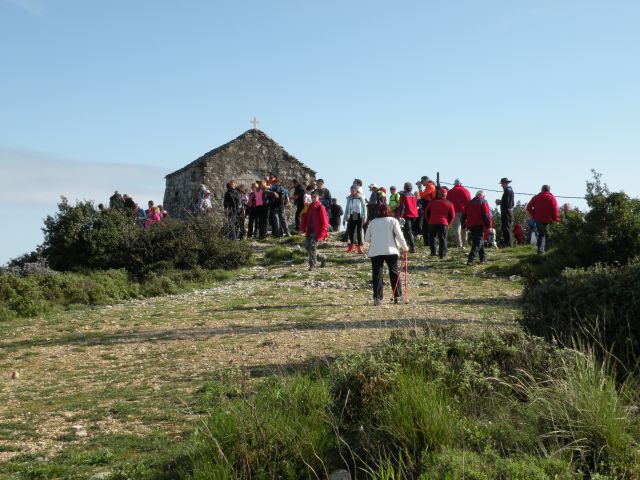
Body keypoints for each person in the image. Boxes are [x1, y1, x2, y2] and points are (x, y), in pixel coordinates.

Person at [365, 204, 409, 305]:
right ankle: (397, 296)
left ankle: (377, 298)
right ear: (389, 211)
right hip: (391, 250)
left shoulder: (372, 222)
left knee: (377, 275)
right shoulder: (393, 221)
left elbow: (367, 239)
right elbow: (399, 236)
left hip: (376, 251)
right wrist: (405, 248)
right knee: (394, 273)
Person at [299, 191, 329, 270]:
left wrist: (321, 236)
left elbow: (325, 223)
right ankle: (323, 258)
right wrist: (302, 228)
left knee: (312, 247)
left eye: (315, 197)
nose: (313, 198)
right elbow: (304, 219)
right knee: (307, 247)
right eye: (312, 197)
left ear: (318, 197)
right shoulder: (310, 207)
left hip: (317, 233)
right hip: (309, 232)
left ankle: (312, 265)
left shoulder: (321, 208)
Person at [526, 185, 559, 254]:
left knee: (541, 234)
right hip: (548, 220)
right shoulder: (552, 198)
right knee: (547, 235)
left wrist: (534, 214)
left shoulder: (536, 197)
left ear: (541, 190)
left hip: (538, 219)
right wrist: (556, 220)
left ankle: (541, 250)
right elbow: (555, 210)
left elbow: (528, 207)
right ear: (549, 190)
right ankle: (544, 251)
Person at [462, 190, 492, 265]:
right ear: (483, 196)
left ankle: (482, 258)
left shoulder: (469, 203)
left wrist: (464, 225)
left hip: (470, 225)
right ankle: (471, 259)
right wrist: (489, 226)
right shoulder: (484, 202)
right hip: (479, 224)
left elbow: (463, 216)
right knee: (478, 242)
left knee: (478, 241)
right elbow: (486, 215)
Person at [424, 189, 456, 258]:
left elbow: (426, 212)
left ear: (438, 194)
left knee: (432, 238)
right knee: (443, 239)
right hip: (443, 223)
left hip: (432, 222)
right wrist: (449, 223)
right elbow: (453, 215)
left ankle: (433, 252)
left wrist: (429, 221)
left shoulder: (432, 202)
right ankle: (442, 254)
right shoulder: (449, 203)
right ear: (446, 195)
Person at [446, 179, 471, 250]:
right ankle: (465, 245)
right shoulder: (465, 191)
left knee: (456, 229)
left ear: (454, 184)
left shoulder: (450, 192)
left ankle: (459, 245)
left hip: (454, 211)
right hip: (464, 212)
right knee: (464, 228)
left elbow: (448, 202)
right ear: (461, 184)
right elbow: (469, 201)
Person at [397, 182, 418, 253]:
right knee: (407, 231)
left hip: (407, 215)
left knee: (407, 231)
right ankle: (407, 245)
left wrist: (400, 216)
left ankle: (412, 246)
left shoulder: (403, 195)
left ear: (404, 187)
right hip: (414, 215)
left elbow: (402, 206)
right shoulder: (413, 195)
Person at [344, 186, 366, 253]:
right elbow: (347, 207)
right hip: (352, 215)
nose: (352, 192)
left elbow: (364, 207)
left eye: (353, 190)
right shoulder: (349, 198)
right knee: (351, 230)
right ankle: (352, 245)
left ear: (356, 191)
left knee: (359, 230)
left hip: (359, 215)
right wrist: (345, 216)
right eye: (351, 191)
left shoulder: (360, 197)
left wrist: (364, 216)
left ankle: (359, 246)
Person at [417, 176, 437, 245]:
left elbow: (422, 195)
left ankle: (428, 242)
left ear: (426, 180)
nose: (422, 183)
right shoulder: (428, 186)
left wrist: (419, 187)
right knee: (425, 224)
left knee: (427, 225)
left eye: (422, 181)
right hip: (428, 206)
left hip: (429, 206)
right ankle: (427, 242)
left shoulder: (430, 186)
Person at [496, 177, 515, 247]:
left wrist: (499, 202)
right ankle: (508, 244)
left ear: (506, 183)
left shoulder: (507, 190)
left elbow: (506, 203)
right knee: (507, 227)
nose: (501, 185)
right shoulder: (510, 190)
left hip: (506, 211)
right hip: (508, 211)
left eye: (502, 184)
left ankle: (508, 245)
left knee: (506, 228)